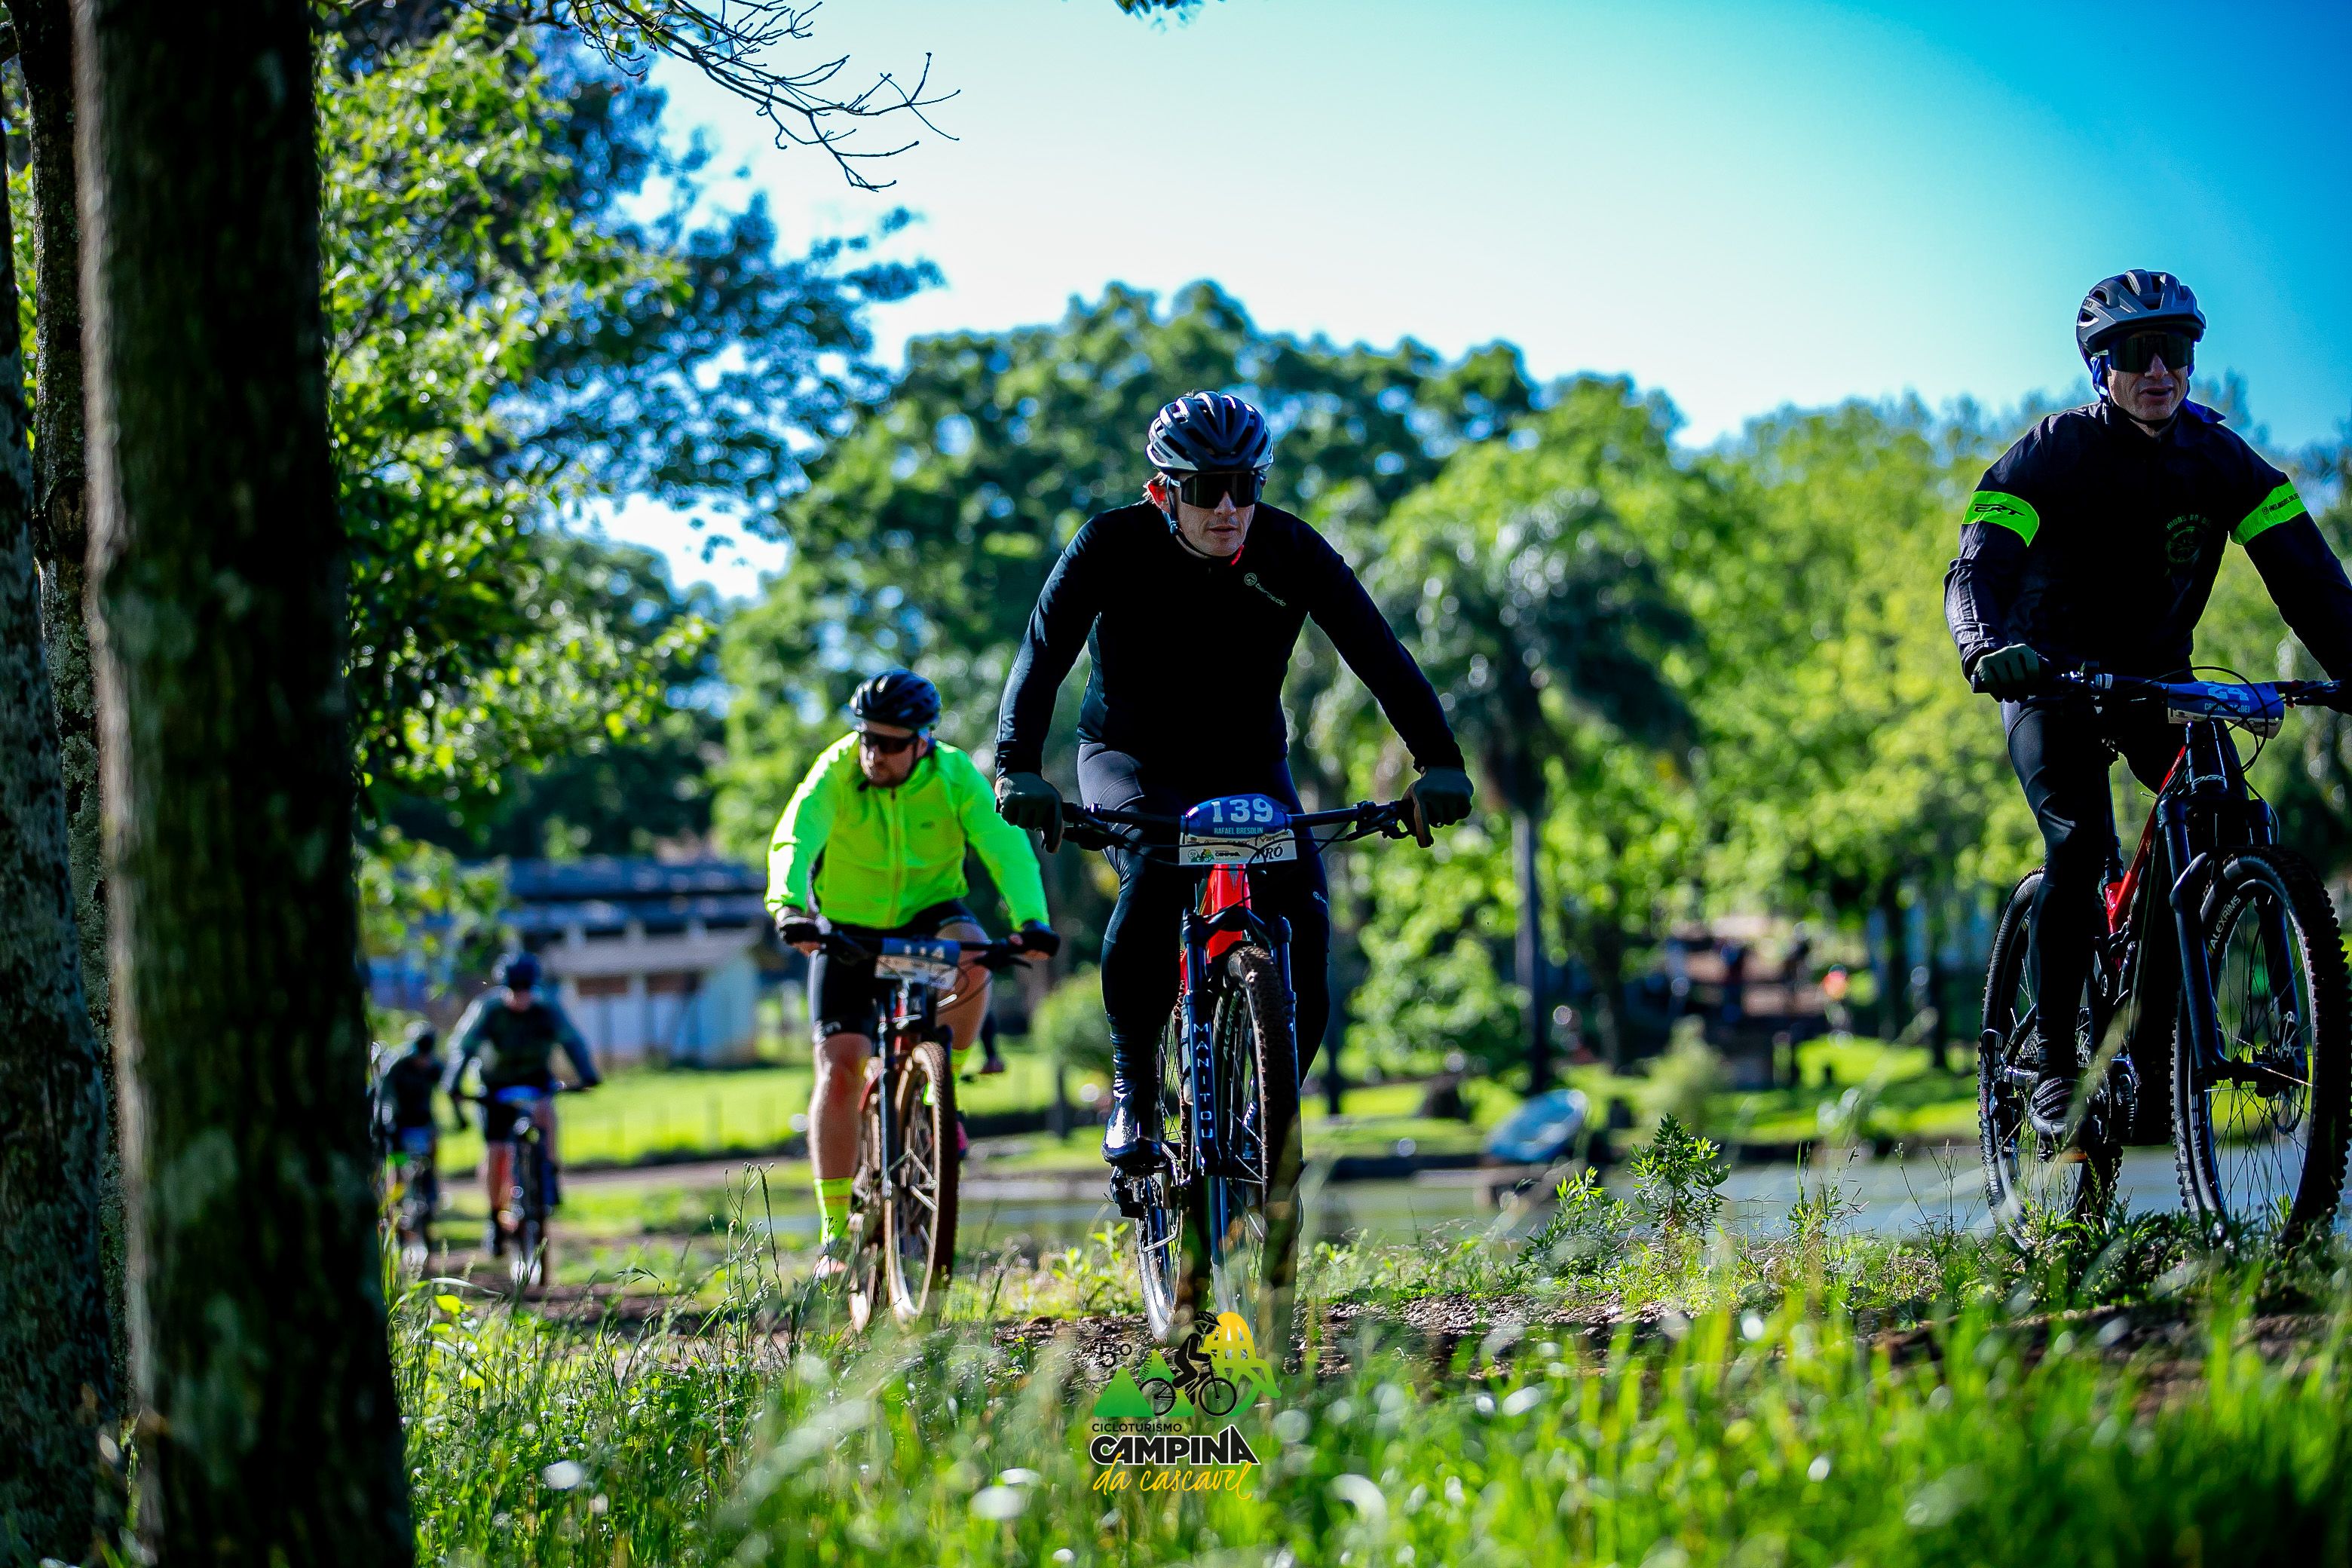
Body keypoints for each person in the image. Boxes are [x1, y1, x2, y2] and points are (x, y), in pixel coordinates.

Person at [994, 390, 1475, 1171]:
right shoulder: (1109, 545)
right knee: (1155, 872)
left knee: (1307, 925)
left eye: (1245, 486)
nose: (1228, 508)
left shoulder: (1291, 549)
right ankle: (1135, 1092)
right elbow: (1041, 655)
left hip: (1249, 762)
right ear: (1164, 491)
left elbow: (1379, 654)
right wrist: (1016, 765)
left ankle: (1262, 1114)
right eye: (1206, 489)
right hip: (1130, 759)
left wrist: (1439, 759)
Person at [1945, 268, 2352, 1138]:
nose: (2159, 369)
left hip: (2158, 684)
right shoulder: (2051, 453)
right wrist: (1986, 648)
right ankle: (2055, 1061)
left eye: (2174, 349)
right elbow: (1977, 567)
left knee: (2235, 810)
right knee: (2077, 841)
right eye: (2137, 353)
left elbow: (2311, 582)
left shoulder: (2222, 459)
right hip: (2048, 682)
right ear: (2102, 368)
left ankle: (2254, 1027)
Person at [766, 669, 1059, 1268]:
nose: (874, 754)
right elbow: (796, 836)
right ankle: (835, 1232)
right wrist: (789, 907)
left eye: (891, 743)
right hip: (849, 926)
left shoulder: (954, 775)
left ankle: (941, 1091)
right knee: (841, 1071)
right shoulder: (836, 770)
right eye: (867, 738)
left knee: (974, 954)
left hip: (930, 913)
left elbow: (1004, 847)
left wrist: (1031, 919)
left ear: (923, 740)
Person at [445, 952, 602, 1251]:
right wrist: (453, 1082)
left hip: (534, 1079)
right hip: (495, 1085)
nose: (521, 996)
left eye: (526, 989)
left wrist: (588, 1074)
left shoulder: (547, 1009)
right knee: (497, 1151)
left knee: (545, 1111)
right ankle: (495, 1217)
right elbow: (464, 1047)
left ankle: (549, 1174)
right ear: (504, 987)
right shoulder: (487, 1010)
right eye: (514, 989)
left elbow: (571, 1041)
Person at [375, 1021, 450, 1227]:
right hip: (398, 1124)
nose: (423, 1061)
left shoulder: (434, 1066)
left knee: (432, 1150)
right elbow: (383, 1097)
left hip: (423, 1120)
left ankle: (431, 1189)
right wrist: (384, 1123)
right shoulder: (397, 1065)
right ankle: (395, 1211)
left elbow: (450, 1087)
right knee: (399, 1167)